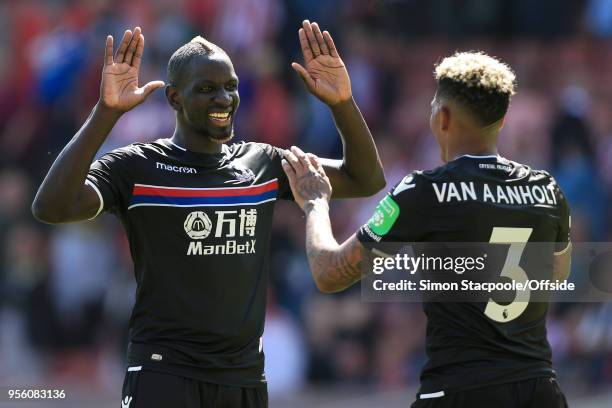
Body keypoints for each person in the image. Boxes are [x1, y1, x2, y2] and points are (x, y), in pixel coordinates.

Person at [32, 21, 385, 408]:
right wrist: (106, 112)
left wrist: (341, 103)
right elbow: (51, 206)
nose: (224, 98)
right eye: (207, 89)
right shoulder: (138, 167)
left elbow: (365, 178)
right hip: (164, 374)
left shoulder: (264, 163)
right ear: (174, 98)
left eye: (230, 86)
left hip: (243, 377)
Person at [282, 51, 571, 408]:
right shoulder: (547, 189)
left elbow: (329, 273)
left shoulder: (424, 191)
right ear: (503, 119)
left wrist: (315, 202)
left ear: (443, 117)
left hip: (459, 391)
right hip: (539, 391)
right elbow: (557, 276)